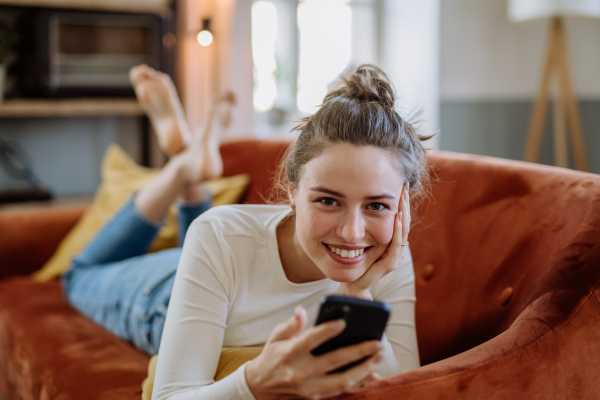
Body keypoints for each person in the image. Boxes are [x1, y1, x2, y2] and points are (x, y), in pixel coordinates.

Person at [62, 64, 430, 400]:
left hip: (216, 268)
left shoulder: (388, 256)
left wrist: (359, 295)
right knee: (77, 277)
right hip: (162, 294)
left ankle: (190, 164)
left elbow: (406, 389)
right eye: (328, 201)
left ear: (403, 207)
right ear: (292, 191)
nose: (352, 233)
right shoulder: (220, 235)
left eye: (377, 206)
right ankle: (181, 169)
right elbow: (169, 395)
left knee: (204, 241)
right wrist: (253, 385)